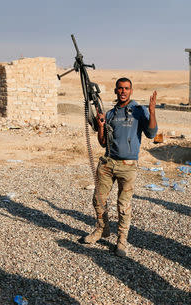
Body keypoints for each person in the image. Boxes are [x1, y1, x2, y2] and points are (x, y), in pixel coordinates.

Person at [79, 77, 158, 257]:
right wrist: (100, 126)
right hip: (108, 163)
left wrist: (152, 112)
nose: (123, 91)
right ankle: (101, 230)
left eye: (126, 88)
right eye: (120, 88)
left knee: (123, 204)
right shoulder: (111, 114)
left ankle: (122, 240)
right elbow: (103, 142)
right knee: (98, 199)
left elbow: (152, 133)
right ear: (116, 91)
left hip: (128, 166)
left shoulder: (139, 111)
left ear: (131, 91)